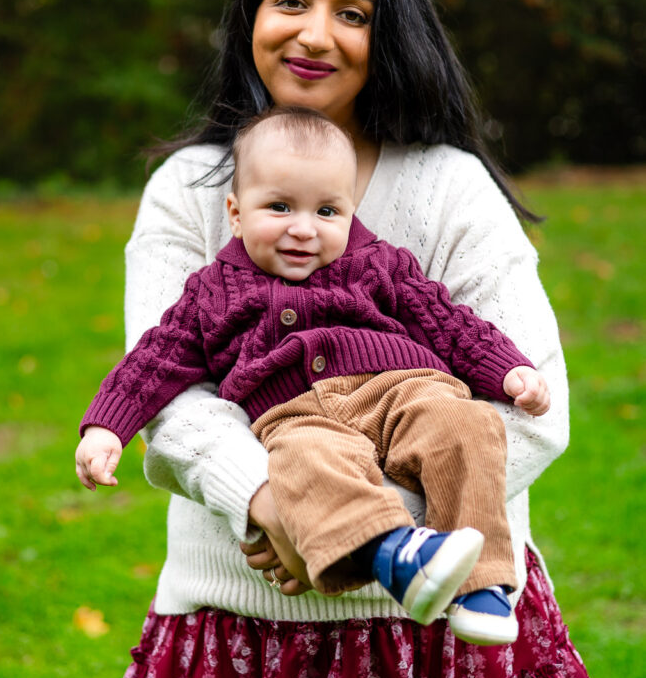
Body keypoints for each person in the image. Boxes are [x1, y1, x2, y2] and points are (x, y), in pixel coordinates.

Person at [89, 0, 619, 678]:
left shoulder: (449, 188)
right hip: (243, 609)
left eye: (353, 11)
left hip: (460, 618)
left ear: (391, 33)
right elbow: (167, 395)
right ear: (251, 11)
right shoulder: (190, 191)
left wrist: (367, 533)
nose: (314, 32)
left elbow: (532, 403)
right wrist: (270, 502)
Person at [76, 105, 552, 647]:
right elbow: (154, 360)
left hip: (404, 389)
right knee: (304, 466)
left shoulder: (379, 263)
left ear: (351, 212)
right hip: (296, 416)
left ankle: (481, 589)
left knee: (465, 427)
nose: (303, 229)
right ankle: (394, 556)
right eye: (279, 207)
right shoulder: (212, 292)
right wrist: (107, 426)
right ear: (234, 212)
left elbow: (447, 323)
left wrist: (509, 369)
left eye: (327, 211)